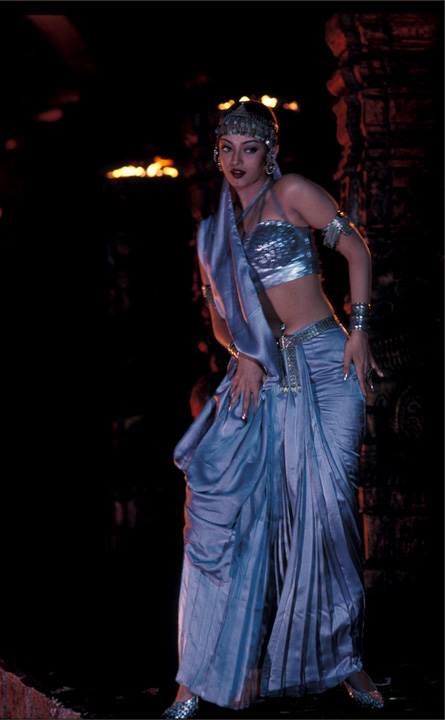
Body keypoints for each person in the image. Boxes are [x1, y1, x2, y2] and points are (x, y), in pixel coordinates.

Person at [161, 100, 385, 718]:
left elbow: (357, 251)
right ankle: (198, 677)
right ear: (217, 156)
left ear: (270, 153)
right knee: (224, 511)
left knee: (329, 513)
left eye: (250, 148)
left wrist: (359, 331)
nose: (237, 160)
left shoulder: (291, 193)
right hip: (264, 373)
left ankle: (346, 660)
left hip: (328, 360)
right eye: (227, 148)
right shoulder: (213, 233)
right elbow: (219, 318)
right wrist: (247, 357)